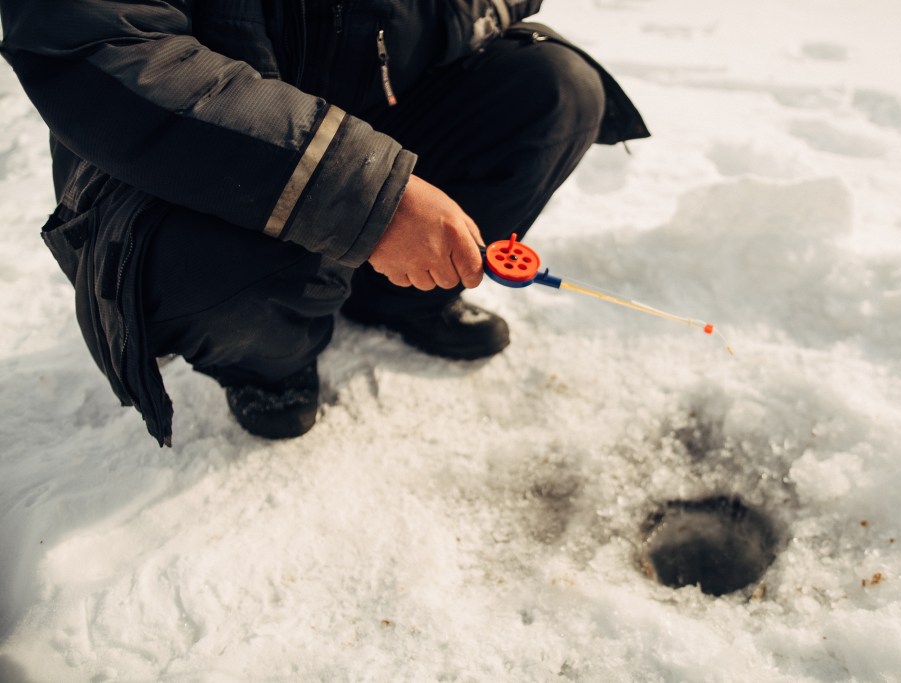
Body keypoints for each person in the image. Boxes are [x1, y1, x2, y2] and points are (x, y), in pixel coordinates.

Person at [0, 0, 648, 446]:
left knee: (556, 88)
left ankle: (396, 296)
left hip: (357, 110)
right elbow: (105, 46)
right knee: (278, 243)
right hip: (171, 168)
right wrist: (375, 199)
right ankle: (268, 364)